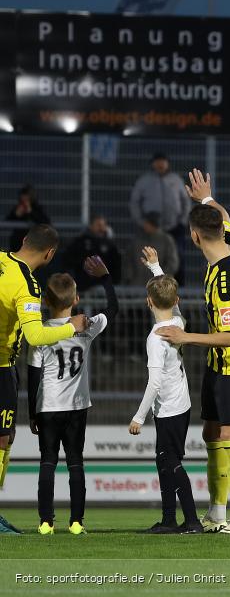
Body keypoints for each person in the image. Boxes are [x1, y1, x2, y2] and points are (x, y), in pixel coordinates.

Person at [156, 169, 230, 535]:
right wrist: (206, 198)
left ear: (194, 235)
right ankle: (217, 511)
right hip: (219, 363)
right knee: (212, 434)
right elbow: (224, 216)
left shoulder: (226, 282)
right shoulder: (229, 243)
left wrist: (185, 337)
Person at [0, 224, 89, 535]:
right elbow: (36, 336)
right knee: (2, 438)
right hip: (1, 366)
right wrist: (72, 327)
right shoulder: (28, 284)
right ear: (50, 254)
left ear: (25, 240)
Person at [26, 257, 116, 536]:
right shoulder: (85, 325)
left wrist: (32, 412)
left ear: (45, 301)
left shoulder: (41, 333)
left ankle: (45, 522)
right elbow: (113, 309)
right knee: (75, 462)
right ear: (76, 299)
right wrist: (105, 278)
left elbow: (33, 375)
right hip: (77, 406)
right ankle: (77, 522)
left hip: (48, 405)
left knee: (47, 462)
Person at [129, 247, 201, 535]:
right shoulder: (178, 324)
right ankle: (169, 519)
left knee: (170, 461)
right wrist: (156, 267)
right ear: (177, 300)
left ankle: (192, 520)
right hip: (179, 404)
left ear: (148, 302)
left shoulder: (156, 339)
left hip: (170, 408)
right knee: (164, 461)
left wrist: (138, 417)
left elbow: (154, 383)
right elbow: (171, 302)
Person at [129, 153, 191, 284]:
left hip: (174, 227)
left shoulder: (176, 180)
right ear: (152, 164)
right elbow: (134, 202)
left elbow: (186, 201)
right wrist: (142, 222)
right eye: (157, 161)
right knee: (148, 258)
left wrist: (182, 221)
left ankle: (178, 288)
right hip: (150, 228)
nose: (160, 164)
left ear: (167, 163)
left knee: (177, 257)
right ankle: (149, 287)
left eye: (163, 161)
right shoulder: (144, 181)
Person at [63, 214, 123, 290]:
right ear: (91, 226)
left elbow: (116, 266)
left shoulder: (111, 245)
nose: (101, 228)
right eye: (98, 225)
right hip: (84, 286)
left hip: (106, 287)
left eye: (103, 225)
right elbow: (69, 261)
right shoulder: (80, 242)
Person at [124, 213, 179, 286]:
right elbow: (128, 259)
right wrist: (129, 277)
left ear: (153, 224)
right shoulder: (137, 239)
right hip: (137, 283)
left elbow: (172, 264)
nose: (144, 225)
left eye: (147, 223)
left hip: (159, 286)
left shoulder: (166, 240)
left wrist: (161, 278)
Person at [6, 185, 50, 252]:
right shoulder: (18, 208)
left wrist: (30, 212)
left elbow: (45, 221)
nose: (24, 200)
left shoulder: (37, 208)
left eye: (26, 197)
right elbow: (7, 222)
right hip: (17, 242)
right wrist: (15, 214)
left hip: (33, 241)